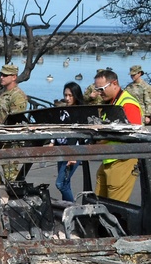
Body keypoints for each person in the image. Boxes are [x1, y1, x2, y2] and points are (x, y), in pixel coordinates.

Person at [92, 68, 143, 201]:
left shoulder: (128, 104)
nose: (99, 93)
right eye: (97, 90)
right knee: (98, 202)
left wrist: (102, 139)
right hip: (109, 158)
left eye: (101, 89)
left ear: (114, 84)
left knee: (115, 208)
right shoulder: (112, 102)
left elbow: (134, 134)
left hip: (123, 159)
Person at [54, 82, 84, 202]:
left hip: (73, 151)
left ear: (76, 95)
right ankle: (67, 209)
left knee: (60, 184)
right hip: (61, 149)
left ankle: (72, 209)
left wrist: (73, 155)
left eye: (70, 95)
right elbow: (56, 127)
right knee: (66, 184)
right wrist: (52, 141)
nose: (67, 98)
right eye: (65, 95)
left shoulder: (81, 112)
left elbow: (80, 135)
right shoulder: (63, 110)